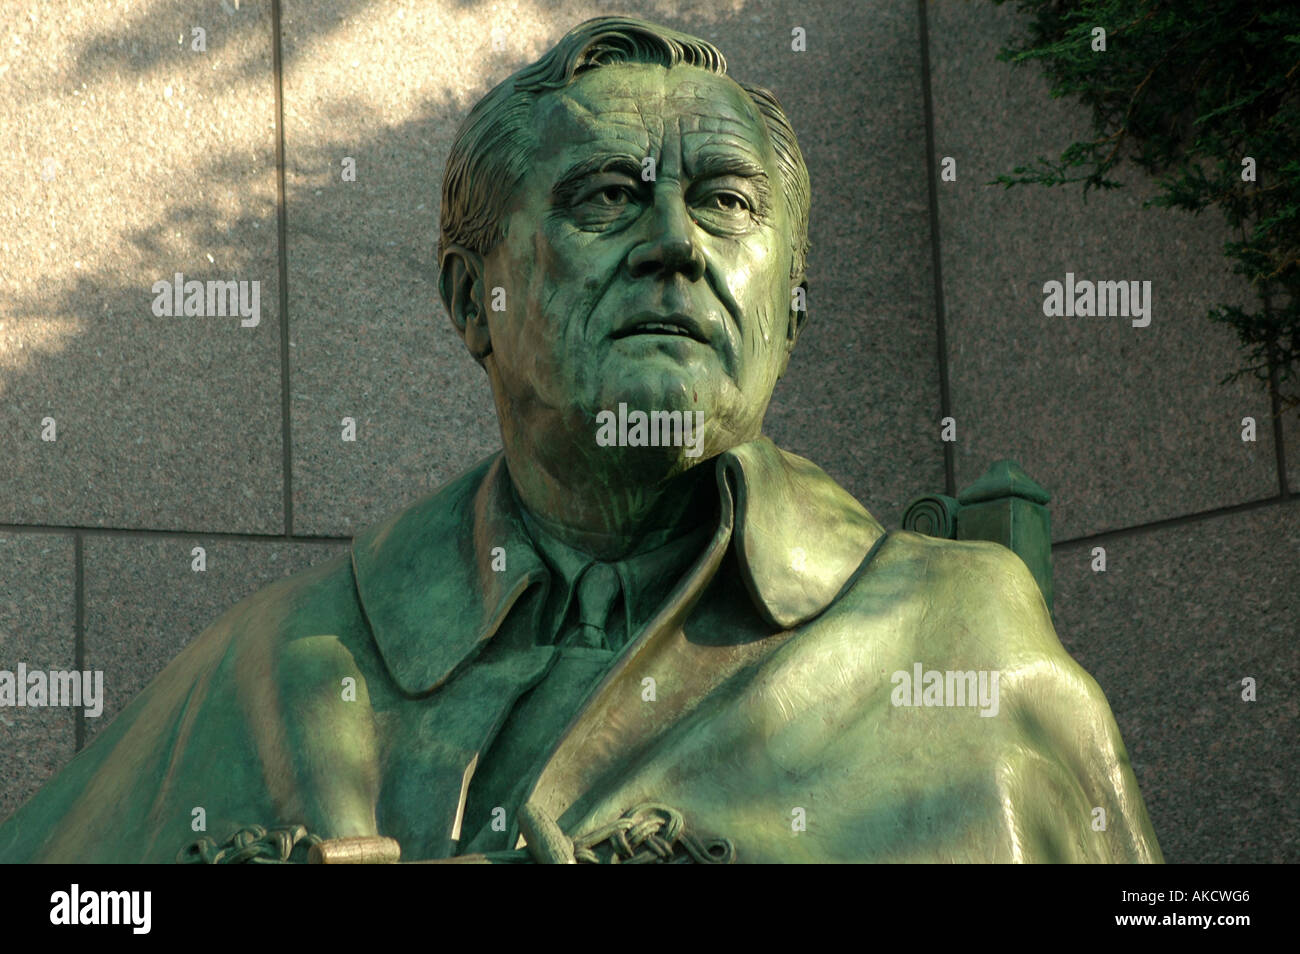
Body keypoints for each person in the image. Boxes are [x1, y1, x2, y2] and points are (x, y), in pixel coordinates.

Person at [0, 16, 1161, 863]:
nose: (674, 243)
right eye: (606, 197)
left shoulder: (961, 641)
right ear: (472, 299)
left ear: (789, 304)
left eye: (727, 202)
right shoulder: (272, 672)